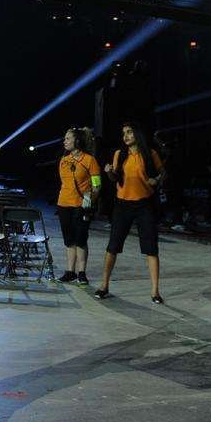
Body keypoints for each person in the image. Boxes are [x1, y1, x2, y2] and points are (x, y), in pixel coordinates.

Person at [97, 122, 165, 304]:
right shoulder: (120, 154)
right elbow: (114, 179)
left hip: (145, 205)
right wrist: (109, 172)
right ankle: (104, 285)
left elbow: (162, 173)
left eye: (129, 132)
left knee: (151, 248)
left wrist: (156, 180)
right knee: (113, 246)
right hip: (123, 205)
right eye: (123, 133)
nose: (125, 136)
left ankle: (155, 291)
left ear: (137, 134)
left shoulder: (150, 154)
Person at [55, 127, 101, 285]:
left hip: (81, 205)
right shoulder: (64, 160)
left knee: (81, 239)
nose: (65, 141)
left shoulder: (89, 160)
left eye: (68, 138)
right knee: (69, 240)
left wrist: (90, 200)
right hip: (63, 204)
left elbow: (97, 184)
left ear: (77, 141)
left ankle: (82, 272)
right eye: (65, 138)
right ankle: (70, 271)